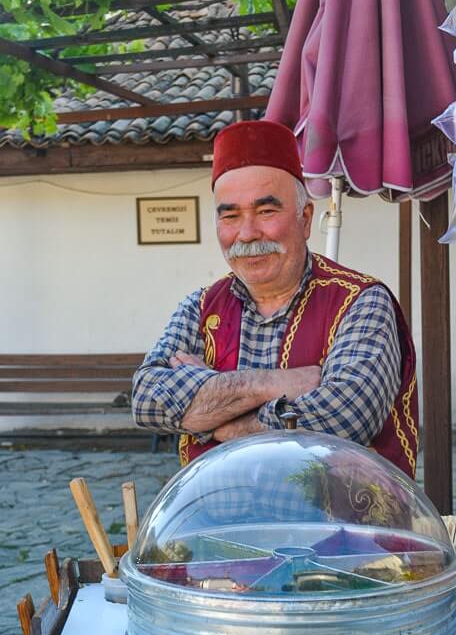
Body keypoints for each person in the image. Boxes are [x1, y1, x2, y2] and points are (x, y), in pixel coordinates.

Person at [132, 120, 418, 478]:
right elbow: (146, 399)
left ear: (305, 218)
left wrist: (221, 422)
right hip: (222, 526)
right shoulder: (200, 307)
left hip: (339, 528)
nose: (248, 234)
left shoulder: (361, 303)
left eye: (266, 212)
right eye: (231, 215)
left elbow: (342, 422)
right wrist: (276, 383)